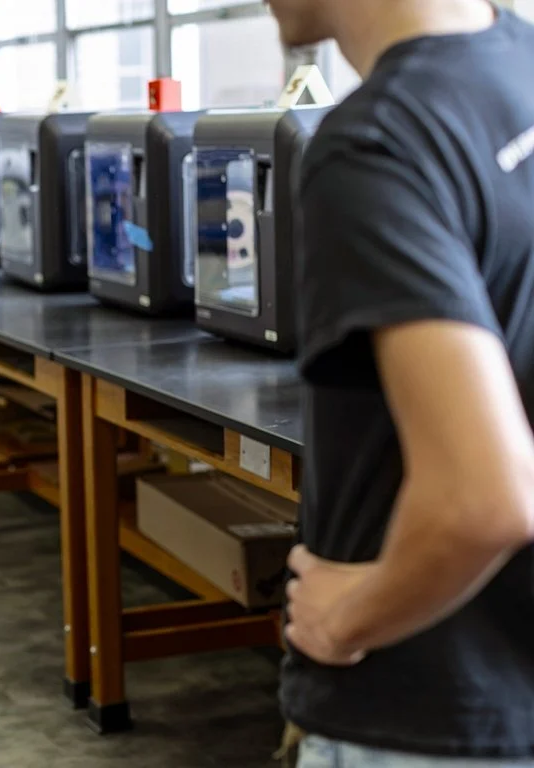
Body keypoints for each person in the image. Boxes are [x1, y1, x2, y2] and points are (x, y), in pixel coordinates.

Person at [263, 0, 534, 764]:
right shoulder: (521, 63)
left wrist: (344, 620)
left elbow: (483, 500)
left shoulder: (375, 141)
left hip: (428, 714)